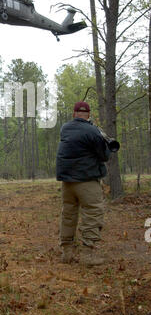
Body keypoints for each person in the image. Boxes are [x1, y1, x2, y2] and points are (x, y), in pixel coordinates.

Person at [56, 101, 111, 266]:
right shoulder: (92, 130)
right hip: (86, 180)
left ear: (74, 114)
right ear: (88, 115)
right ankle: (88, 255)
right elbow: (104, 156)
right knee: (93, 213)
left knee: (68, 214)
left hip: (67, 182)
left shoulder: (65, 128)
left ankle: (67, 253)